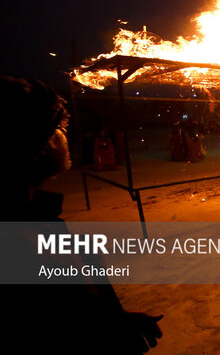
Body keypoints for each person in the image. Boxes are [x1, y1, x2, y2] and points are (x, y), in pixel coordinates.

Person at [0, 76, 163, 354]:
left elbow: (81, 311)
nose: (63, 138)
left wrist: (116, 319)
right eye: (57, 130)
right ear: (33, 146)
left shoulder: (38, 221)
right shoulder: (21, 244)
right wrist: (111, 333)